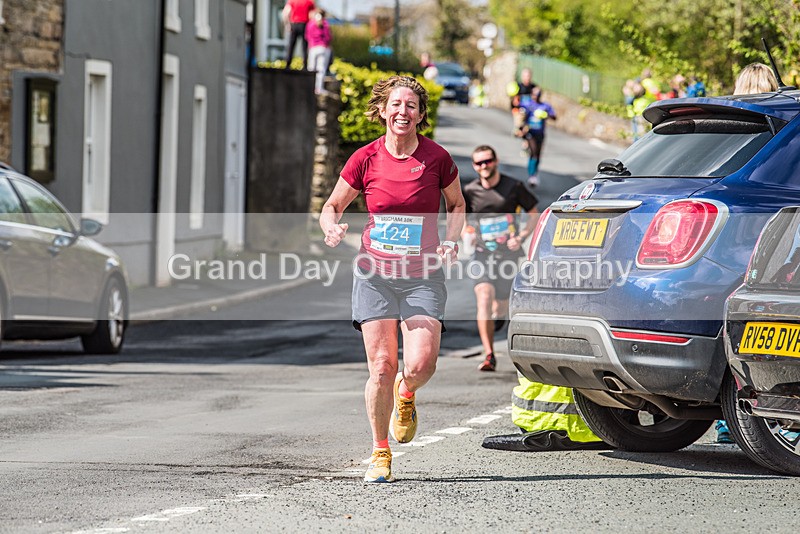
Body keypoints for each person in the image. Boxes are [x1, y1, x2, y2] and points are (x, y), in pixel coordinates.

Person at [320, 75, 465, 483]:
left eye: (412, 106)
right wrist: (330, 227)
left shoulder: (437, 158)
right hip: (375, 274)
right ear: (382, 110)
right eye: (396, 105)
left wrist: (452, 242)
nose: (403, 112)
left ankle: (407, 391)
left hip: (422, 276)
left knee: (420, 364)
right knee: (381, 366)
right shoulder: (365, 158)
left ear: (420, 115)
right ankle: (380, 452)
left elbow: (456, 204)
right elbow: (332, 205)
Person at [712, 63, 780, 445]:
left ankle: (726, 422)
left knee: (727, 328)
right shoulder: (778, 130)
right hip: (769, 242)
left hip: (721, 244)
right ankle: (747, 414)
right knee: (759, 330)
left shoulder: (723, 125)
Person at [462, 145, 538, 371]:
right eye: (478, 163)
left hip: (508, 254)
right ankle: (489, 355)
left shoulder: (512, 186)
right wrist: (467, 233)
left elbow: (533, 213)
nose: (483, 166)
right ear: (474, 166)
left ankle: (500, 314)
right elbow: (461, 216)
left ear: (496, 161)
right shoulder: (470, 190)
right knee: (484, 295)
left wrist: (522, 236)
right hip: (482, 254)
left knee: (502, 303)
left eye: (487, 161)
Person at [517, 87, 556, 187]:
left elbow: (554, 117)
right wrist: (521, 129)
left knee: (537, 155)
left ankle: (535, 173)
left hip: (540, 133)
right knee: (533, 152)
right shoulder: (528, 104)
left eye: (537, 94)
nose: (535, 96)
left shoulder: (545, 106)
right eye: (534, 94)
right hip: (531, 132)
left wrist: (546, 115)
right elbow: (521, 114)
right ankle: (532, 175)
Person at [305, 9, 332, 94]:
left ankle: (309, 88)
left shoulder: (310, 23)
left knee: (311, 68)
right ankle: (319, 88)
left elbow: (307, 36)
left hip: (313, 48)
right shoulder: (325, 24)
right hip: (323, 48)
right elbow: (328, 38)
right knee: (321, 70)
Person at [283, 0, 316, 69]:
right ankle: (305, 66)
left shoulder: (292, 1)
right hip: (304, 25)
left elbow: (286, 13)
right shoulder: (309, 2)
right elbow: (312, 15)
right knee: (304, 46)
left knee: (291, 45)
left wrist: (287, 24)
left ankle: (288, 64)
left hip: (294, 24)